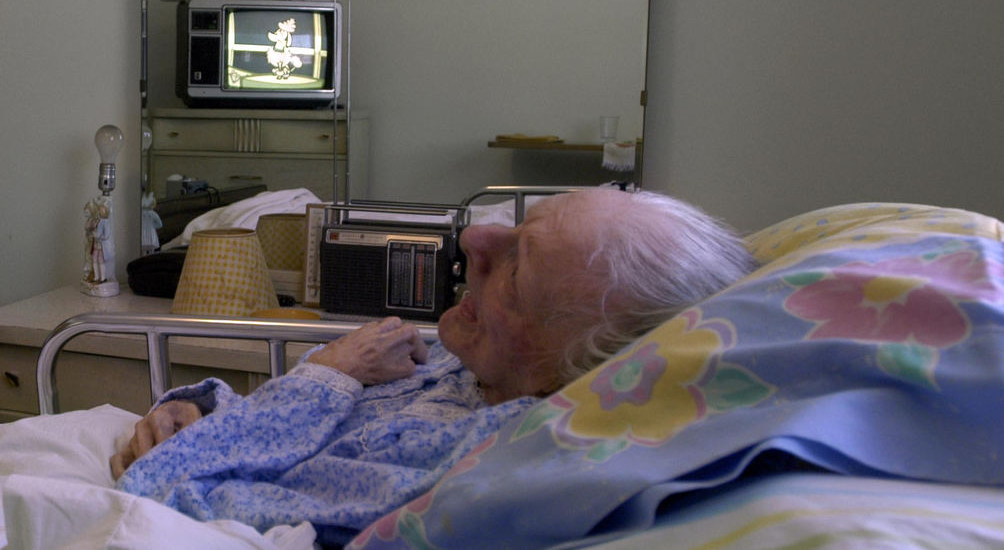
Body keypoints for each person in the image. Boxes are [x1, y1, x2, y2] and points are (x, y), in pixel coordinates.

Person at [111, 188, 755, 545]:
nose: (475, 239)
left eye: (515, 266)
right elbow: (272, 435)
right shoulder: (463, 364)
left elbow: (169, 494)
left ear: (564, 370)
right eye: (516, 227)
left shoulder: (479, 454)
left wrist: (329, 373)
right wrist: (196, 409)